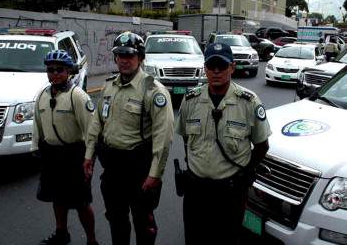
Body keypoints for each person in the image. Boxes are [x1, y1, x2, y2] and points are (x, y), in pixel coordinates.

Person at [175, 43, 271, 245]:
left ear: (232, 67)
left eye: (222, 66)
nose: (216, 71)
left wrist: (245, 173)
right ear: (205, 68)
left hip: (230, 193)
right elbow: (186, 138)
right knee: (194, 239)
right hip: (196, 191)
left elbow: (262, 146)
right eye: (212, 66)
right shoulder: (190, 100)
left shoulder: (249, 102)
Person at [83, 31, 174, 245]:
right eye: (119, 55)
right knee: (116, 219)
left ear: (141, 58)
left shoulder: (153, 91)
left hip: (139, 170)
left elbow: (163, 137)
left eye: (129, 56)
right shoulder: (109, 86)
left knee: (144, 223)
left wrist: (155, 175)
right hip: (113, 169)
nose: (123, 60)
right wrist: (88, 156)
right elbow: (97, 122)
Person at [32, 50, 99, 245]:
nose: (54, 73)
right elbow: (37, 124)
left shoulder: (77, 96)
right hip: (52, 155)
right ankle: (61, 233)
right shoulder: (42, 95)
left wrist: (89, 159)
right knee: (57, 198)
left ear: (69, 71)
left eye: (59, 70)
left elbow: (91, 130)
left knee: (81, 202)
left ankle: (91, 240)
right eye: (51, 69)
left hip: (74, 155)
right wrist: (36, 148)